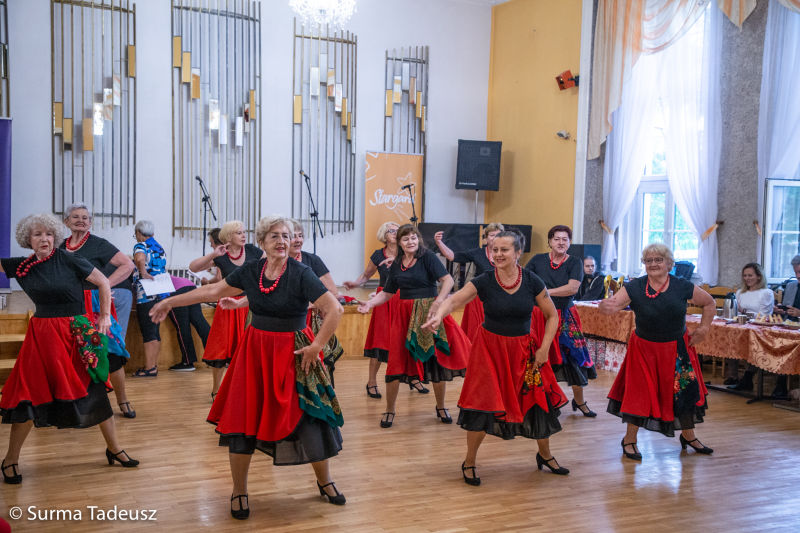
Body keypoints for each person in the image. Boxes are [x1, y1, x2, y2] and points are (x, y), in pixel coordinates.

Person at [149, 215, 345, 519]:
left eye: (286, 236)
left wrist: (317, 345)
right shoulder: (252, 270)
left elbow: (335, 308)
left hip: (293, 352)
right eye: (274, 236)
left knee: (310, 418)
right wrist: (170, 302)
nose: (282, 241)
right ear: (262, 242)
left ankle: (325, 480)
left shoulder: (302, 272)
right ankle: (239, 490)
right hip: (255, 352)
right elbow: (213, 292)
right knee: (242, 420)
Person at [1, 214, 139, 485]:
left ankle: (114, 448)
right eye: (37, 234)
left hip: (74, 333)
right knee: (29, 395)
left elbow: (102, 282)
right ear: (28, 239)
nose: (44, 239)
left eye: (48, 234)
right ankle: (10, 459)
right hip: (41, 338)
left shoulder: (68, 258)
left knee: (94, 390)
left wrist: (104, 316)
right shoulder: (23, 266)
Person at [423, 231, 569, 485]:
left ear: (518, 253)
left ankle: (545, 455)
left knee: (537, 403)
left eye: (504, 250)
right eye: (495, 250)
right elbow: (454, 300)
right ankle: (469, 461)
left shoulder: (532, 281)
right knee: (482, 405)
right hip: (489, 352)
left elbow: (552, 316)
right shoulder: (485, 280)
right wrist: (438, 315)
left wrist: (544, 348)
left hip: (523, 352)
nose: (498, 254)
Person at [600, 243, 716, 460]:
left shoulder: (681, 286)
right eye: (648, 260)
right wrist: (606, 306)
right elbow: (612, 304)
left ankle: (689, 436)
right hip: (644, 350)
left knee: (682, 391)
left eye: (658, 260)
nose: (653, 264)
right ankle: (629, 440)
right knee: (638, 394)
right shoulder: (636, 287)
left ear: (669, 263)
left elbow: (709, 303)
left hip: (676, 349)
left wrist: (704, 328)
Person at [357, 224, 471, 428]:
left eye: (413, 237)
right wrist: (370, 303)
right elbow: (388, 292)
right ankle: (390, 409)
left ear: (418, 239)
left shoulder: (428, 257)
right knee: (396, 362)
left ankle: (441, 406)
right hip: (404, 316)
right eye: (406, 239)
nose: (410, 241)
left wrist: (438, 302)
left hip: (429, 313)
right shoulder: (397, 263)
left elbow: (447, 281)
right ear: (399, 243)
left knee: (435, 361)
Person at [59, 203, 138, 418]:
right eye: (75, 217)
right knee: (72, 354)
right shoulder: (60, 246)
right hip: (69, 304)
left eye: (85, 217)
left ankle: (123, 400)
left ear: (90, 222)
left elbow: (128, 265)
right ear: (66, 221)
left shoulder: (98, 244)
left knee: (110, 351)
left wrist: (105, 284)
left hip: (94, 304)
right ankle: (76, 403)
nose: (81, 220)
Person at [525, 225, 598, 417]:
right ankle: (547, 401)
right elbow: (525, 280)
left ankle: (580, 402)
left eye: (565, 239)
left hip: (564, 316)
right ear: (550, 242)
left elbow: (572, 288)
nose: (560, 242)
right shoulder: (537, 260)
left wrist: (544, 293)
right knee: (541, 357)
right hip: (539, 316)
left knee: (573, 358)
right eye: (556, 239)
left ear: (570, 242)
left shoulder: (574, 262)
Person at [188, 220, 263, 397]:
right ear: (229, 236)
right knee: (221, 349)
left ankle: (246, 390)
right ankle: (216, 390)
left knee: (248, 351)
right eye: (239, 233)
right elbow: (193, 267)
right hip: (227, 307)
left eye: (244, 232)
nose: (244, 235)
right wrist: (213, 254)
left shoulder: (253, 251)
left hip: (249, 305)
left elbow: (269, 266)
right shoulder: (221, 255)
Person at [343, 221, 405, 399]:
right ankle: (371, 381)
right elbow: (366, 275)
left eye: (397, 230)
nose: (395, 233)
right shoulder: (378, 255)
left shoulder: (407, 252)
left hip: (404, 298)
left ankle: (413, 378)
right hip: (384, 299)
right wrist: (355, 283)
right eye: (391, 230)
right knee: (380, 341)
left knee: (405, 339)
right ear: (384, 235)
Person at [289, 219, 346, 384]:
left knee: (315, 363)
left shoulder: (312, 260)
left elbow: (333, 293)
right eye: (293, 236)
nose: (298, 240)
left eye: (300, 236)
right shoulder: (276, 261)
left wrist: (310, 304)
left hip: (310, 321)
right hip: (285, 324)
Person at [433, 223, 504, 341]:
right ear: (486, 238)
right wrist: (439, 242)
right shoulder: (478, 253)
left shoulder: (507, 254)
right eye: (492, 235)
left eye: (498, 235)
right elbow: (452, 256)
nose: (495, 238)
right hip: (479, 300)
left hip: (500, 299)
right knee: (475, 332)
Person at [725, 263, 774, 388]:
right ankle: (733, 375)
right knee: (729, 337)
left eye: (750, 275)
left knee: (754, 343)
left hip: (759, 328)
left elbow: (764, 316)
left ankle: (748, 377)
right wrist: (741, 312)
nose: (747, 278)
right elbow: (736, 312)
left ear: (759, 276)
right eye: (745, 275)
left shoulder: (766, 293)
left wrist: (745, 312)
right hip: (741, 326)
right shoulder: (740, 292)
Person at [131, 220, 169, 377]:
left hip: (146, 292)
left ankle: (149, 368)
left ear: (139, 233)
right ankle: (153, 365)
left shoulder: (141, 245)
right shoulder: (159, 247)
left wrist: (143, 272)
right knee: (155, 330)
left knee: (148, 331)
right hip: (161, 292)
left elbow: (140, 259)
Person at [166, 275, 211, 371]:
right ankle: (214, 357)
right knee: (200, 322)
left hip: (176, 291)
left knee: (182, 326)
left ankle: (187, 362)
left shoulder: (142, 277)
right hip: (191, 286)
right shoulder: (158, 271)